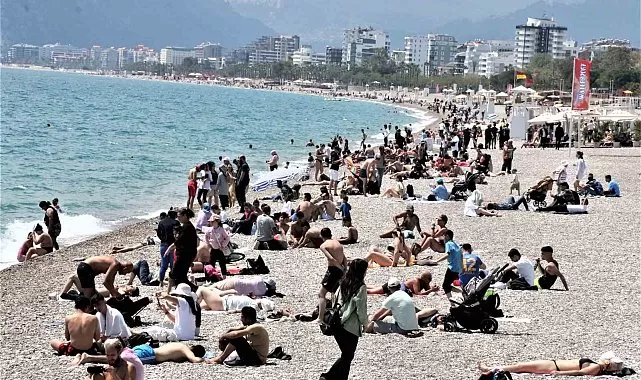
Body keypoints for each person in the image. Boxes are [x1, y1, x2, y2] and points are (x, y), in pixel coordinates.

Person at [320, 259, 368, 380]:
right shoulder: (361, 287)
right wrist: (365, 324)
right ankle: (328, 376)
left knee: (346, 355)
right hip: (349, 326)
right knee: (347, 356)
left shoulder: (342, 282)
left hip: (336, 323)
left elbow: (335, 299)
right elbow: (360, 310)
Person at [61, 256, 134, 298]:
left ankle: (74, 298)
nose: (125, 274)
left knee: (93, 294)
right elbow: (105, 282)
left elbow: (110, 282)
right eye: (127, 272)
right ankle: (85, 314)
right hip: (86, 268)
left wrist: (113, 293)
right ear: (125, 268)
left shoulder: (115, 266)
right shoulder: (115, 264)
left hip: (86, 269)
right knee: (88, 296)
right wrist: (115, 293)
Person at [478, 356, 627, 376]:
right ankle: (492, 368)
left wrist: (558, 373)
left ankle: (490, 369)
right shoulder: (597, 366)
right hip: (553, 364)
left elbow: (579, 372)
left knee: (520, 366)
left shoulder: (596, 368)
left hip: (554, 366)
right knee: (520, 366)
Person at [317, 227, 347, 323]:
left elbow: (331, 259)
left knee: (321, 294)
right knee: (336, 293)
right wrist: (344, 269)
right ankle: (337, 315)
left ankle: (320, 318)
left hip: (333, 269)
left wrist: (340, 268)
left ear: (322, 236)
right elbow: (344, 257)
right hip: (341, 269)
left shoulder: (323, 245)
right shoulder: (338, 243)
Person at [165, 208, 198, 293]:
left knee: (174, 275)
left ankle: (169, 293)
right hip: (187, 254)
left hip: (185, 255)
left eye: (179, 216)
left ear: (185, 216)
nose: (177, 218)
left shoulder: (187, 227)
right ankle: (191, 290)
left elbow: (179, 241)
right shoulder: (187, 226)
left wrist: (169, 249)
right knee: (181, 277)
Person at [434, 230, 462, 299]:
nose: (443, 238)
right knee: (447, 285)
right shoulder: (456, 244)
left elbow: (447, 254)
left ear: (447, 236)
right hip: (458, 269)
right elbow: (461, 256)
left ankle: (452, 302)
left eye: (443, 236)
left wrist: (437, 261)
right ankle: (462, 292)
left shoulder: (448, 244)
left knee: (445, 286)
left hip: (452, 268)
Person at [157, 209, 180, 287]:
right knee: (173, 265)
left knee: (163, 265)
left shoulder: (161, 222)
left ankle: (161, 282)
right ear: (175, 215)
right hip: (173, 245)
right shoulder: (176, 222)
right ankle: (173, 282)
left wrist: (163, 239)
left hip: (163, 245)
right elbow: (179, 234)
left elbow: (158, 234)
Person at [367, 271, 438, 296]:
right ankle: (360, 289)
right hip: (391, 287)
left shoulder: (424, 283)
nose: (429, 281)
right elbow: (418, 294)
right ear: (425, 279)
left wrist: (433, 289)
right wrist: (431, 290)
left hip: (394, 286)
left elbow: (428, 291)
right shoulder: (416, 281)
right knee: (371, 292)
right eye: (429, 279)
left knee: (377, 288)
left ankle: (365, 285)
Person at [212, 276, 276, 297]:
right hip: (239, 293)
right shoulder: (262, 292)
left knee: (214, 286)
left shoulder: (259, 280)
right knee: (219, 294)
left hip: (237, 283)